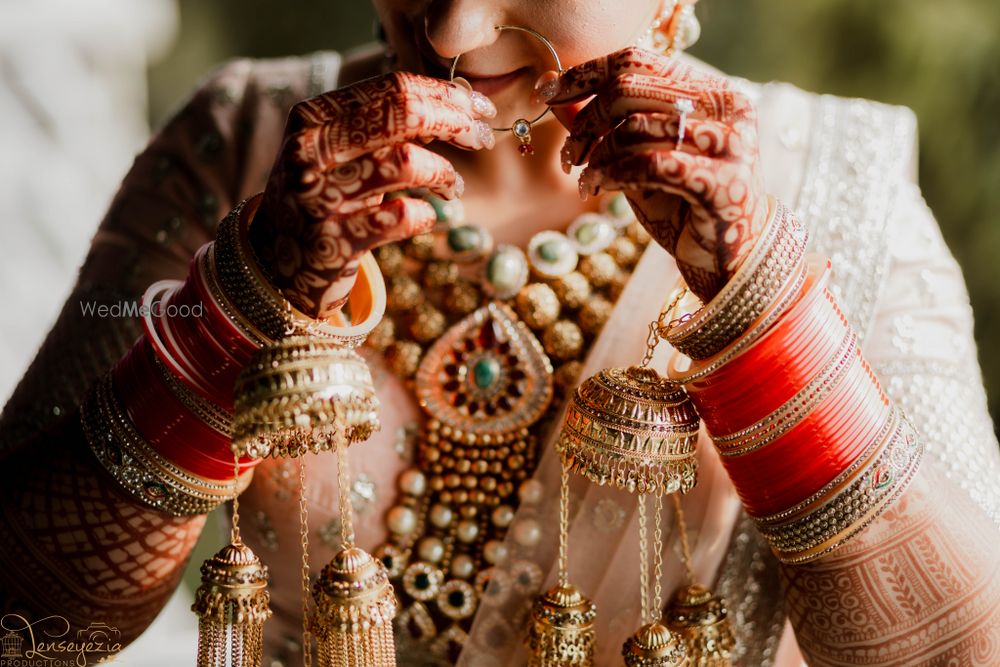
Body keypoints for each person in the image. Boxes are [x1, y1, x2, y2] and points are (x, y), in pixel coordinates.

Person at [1, 0, 998, 665]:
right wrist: (242, 306)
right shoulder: (246, 147)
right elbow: (24, 628)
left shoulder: (838, 186)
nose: (450, 29)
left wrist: (766, 312)